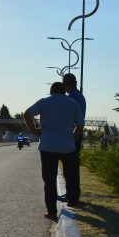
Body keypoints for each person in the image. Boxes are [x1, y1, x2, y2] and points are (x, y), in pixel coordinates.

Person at [24, 82, 84, 221]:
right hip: (68, 146)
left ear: (51, 91)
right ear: (64, 91)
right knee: (71, 175)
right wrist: (72, 138)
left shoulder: (44, 102)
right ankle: (72, 200)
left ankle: (51, 212)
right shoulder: (73, 103)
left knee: (49, 180)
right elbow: (80, 126)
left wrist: (34, 130)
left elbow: (27, 114)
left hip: (47, 146)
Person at [62, 73, 85, 202]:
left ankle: (73, 193)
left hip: (73, 134)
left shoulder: (72, 97)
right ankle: (74, 191)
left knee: (70, 166)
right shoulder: (79, 96)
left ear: (66, 84)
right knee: (73, 165)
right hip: (77, 133)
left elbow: (74, 119)